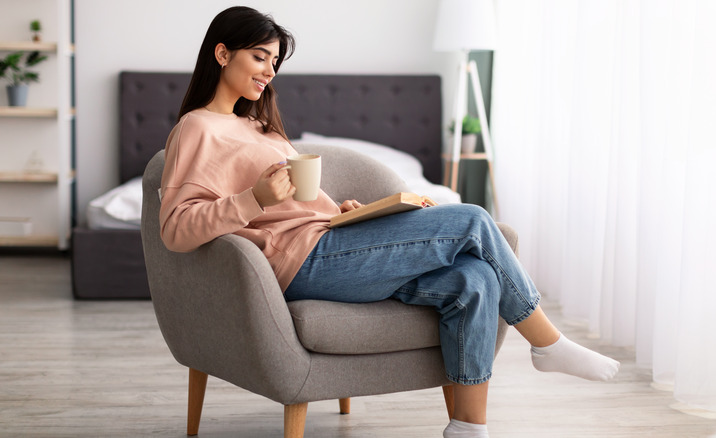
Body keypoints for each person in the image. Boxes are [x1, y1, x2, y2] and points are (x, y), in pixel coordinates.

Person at [159, 6, 620, 438]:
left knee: (475, 279)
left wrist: (343, 211)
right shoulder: (196, 130)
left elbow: (299, 202)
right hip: (302, 263)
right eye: (260, 57)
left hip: (331, 240)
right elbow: (176, 230)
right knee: (474, 221)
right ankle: (547, 343)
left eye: (275, 61)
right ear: (222, 53)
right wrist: (253, 199)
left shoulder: (260, 126)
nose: (269, 71)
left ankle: (468, 429)